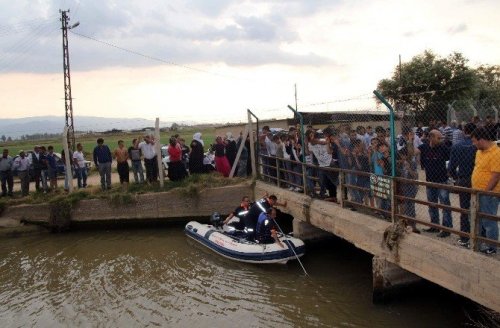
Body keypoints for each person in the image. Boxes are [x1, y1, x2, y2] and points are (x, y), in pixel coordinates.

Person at [471, 127, 499, 255]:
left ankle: (492, 247)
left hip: (489, 194)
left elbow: (495, 175)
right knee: (478, 219)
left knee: (489, 220)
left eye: (474, 141)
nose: (473, 144)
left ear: (481, 140)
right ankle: (482, 242)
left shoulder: (496, 152)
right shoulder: (479, 152)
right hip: (477, 192)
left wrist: (485, 192)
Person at [418, 129, 452, 237]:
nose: (441, 139)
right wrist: (410, 141)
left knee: (445, 205)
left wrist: (449, 172)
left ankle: (446, 229)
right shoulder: (424, 147)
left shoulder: (443, 148)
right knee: (432, 205)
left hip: (442, 181)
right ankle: (435, 226)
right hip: (430, 181)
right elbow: (412, 152)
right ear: (431, 138)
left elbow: (451, 160)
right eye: (439, 138)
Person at [448, 123, 476, 248]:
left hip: (463, 179)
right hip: (477, 178)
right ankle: (480, 236)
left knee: (464, 209)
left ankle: (464, 237)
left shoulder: (457, 146)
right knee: (479, 209)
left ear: (464, 131)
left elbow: (451, 166)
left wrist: (455, 177)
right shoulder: (477, 145)